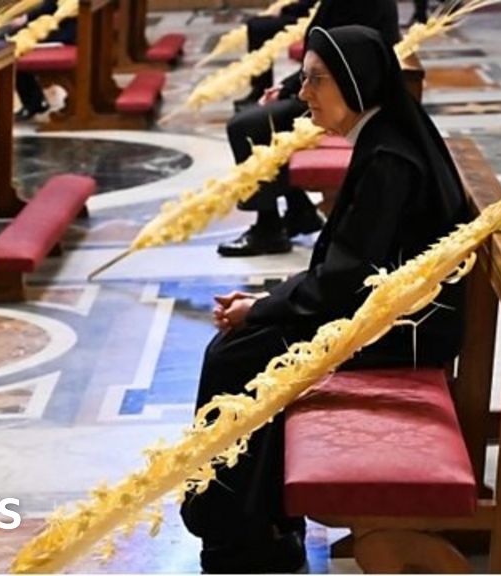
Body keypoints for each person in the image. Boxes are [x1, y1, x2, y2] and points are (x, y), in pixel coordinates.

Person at [181, 25, 469, 573]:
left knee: (236, 355)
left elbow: (342, 279)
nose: (305, 93)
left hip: (406, 332)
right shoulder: (382, 138)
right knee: (245, 348)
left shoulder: (389, 158)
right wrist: (268, 301)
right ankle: (256, 521)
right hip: (388, 313)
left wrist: (260, 308)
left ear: (357, 84)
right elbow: (344, 271)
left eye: (315, 80)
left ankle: (241, 534)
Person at [217, 0, 401, 257]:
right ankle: (299, 210)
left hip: (347, 99)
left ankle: (268, 229)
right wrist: (287, 87)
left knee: (246, 127)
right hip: (332, 88)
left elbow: (336, 56)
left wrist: (292, 88)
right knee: (258, 122)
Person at [233, 0, 318, 112]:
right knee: (256, 25)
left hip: (315, 17)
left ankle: (262, 90)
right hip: (309, 12)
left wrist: (285, 10)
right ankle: (259, 88)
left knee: (259, 28)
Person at [13, 0, 77, 120]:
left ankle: (33, 103)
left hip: (67, 33)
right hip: (58, 25)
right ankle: (35, 101)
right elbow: (51, 5)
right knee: (5, 39)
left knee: (15, 48)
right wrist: (26, 17)